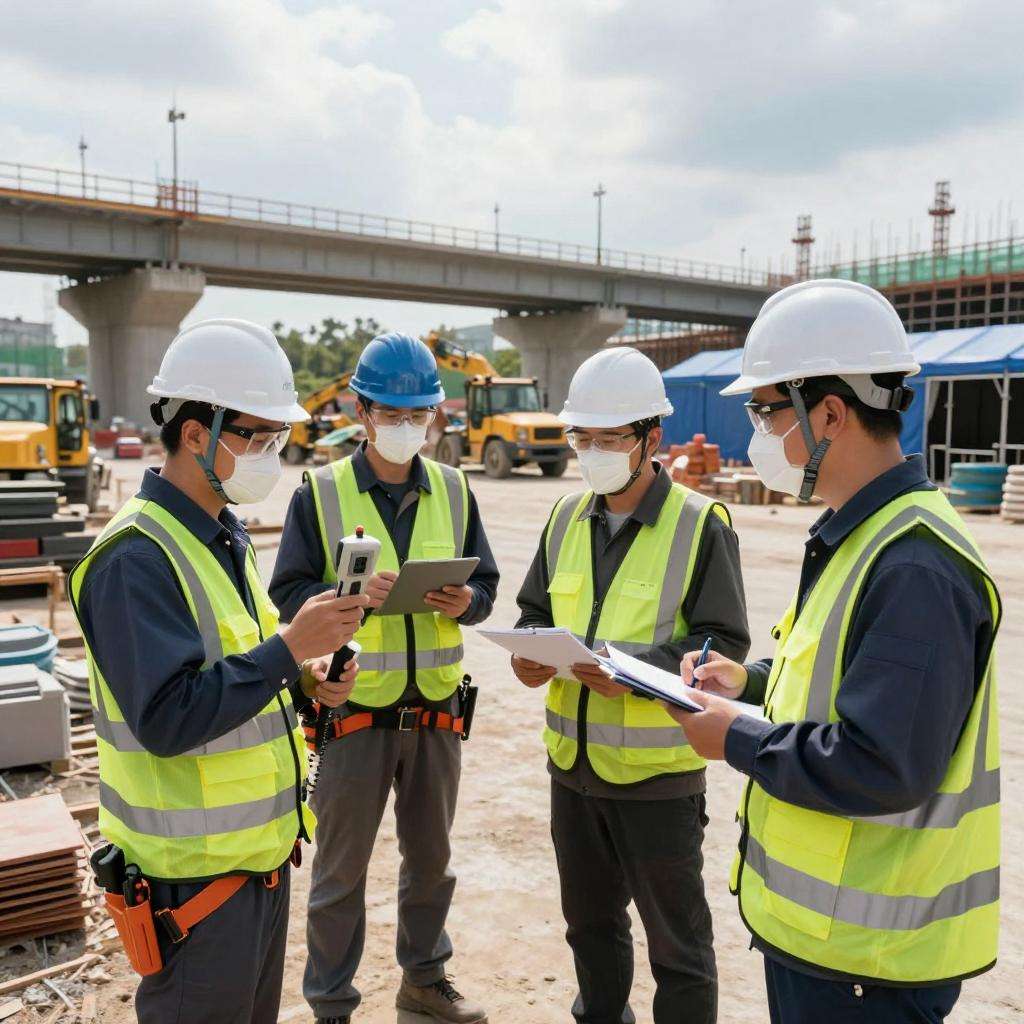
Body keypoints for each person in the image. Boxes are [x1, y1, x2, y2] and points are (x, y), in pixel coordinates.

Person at [665, 279, 1001, 1024]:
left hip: (869, 967)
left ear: (829, 413)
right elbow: (839, 680)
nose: (758, 433)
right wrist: (750, 682)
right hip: (831, 947)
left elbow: (883, 762)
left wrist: (734, 738)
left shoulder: (913, 565)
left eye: (766, 411)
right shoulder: (863, 534)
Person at [69, 319, 368, 1024]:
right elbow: (168, 719)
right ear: (196, 432)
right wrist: (288, 650)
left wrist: (304, 679)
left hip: (256, 865)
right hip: (191, 889)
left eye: (277, 439)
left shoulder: (221, 536)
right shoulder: (135, 558)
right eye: (257, 437)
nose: (270, 455)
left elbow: (233, 673)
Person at [513, 346, 751, 1024]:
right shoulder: (564, 516)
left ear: (652, 438)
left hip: (657, 782)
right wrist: (528, 655)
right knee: (590, 930)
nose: (593, 452)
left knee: (678, 948)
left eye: (610, 438)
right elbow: (533, 613)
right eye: (581, 437)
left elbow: (724, 645)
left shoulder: (700, 524)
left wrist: (634, 674)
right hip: (573, 770)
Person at [270, 332, 498, 1024]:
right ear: (361, 412)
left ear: (434, 415)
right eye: (392, 414)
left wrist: (467, 601)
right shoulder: (321, 492)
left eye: (417, 414)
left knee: (432, 863)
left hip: (436, 713)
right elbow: (287, 594)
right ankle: (331, 1004)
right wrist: (345, 599)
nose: (406, 426)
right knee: (340, 872)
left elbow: (486, 586)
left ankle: (424, 980)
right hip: (353, 711)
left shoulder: (455, 489)